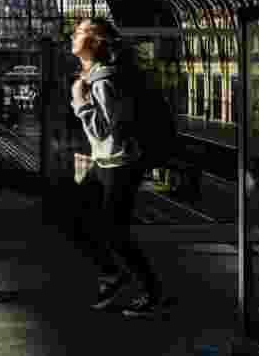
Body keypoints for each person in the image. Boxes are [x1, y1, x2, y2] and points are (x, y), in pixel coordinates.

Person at [70, 17, 165, 314]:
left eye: (81, 32)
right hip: (104, 161)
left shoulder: (105, 81)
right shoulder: (95, 76)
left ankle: (150, 292)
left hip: (119, 163)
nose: (74, 35)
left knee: (114, 231)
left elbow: (102, 129)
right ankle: (113, 275)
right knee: (80, 220)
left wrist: (79, 101)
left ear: (96, 42)